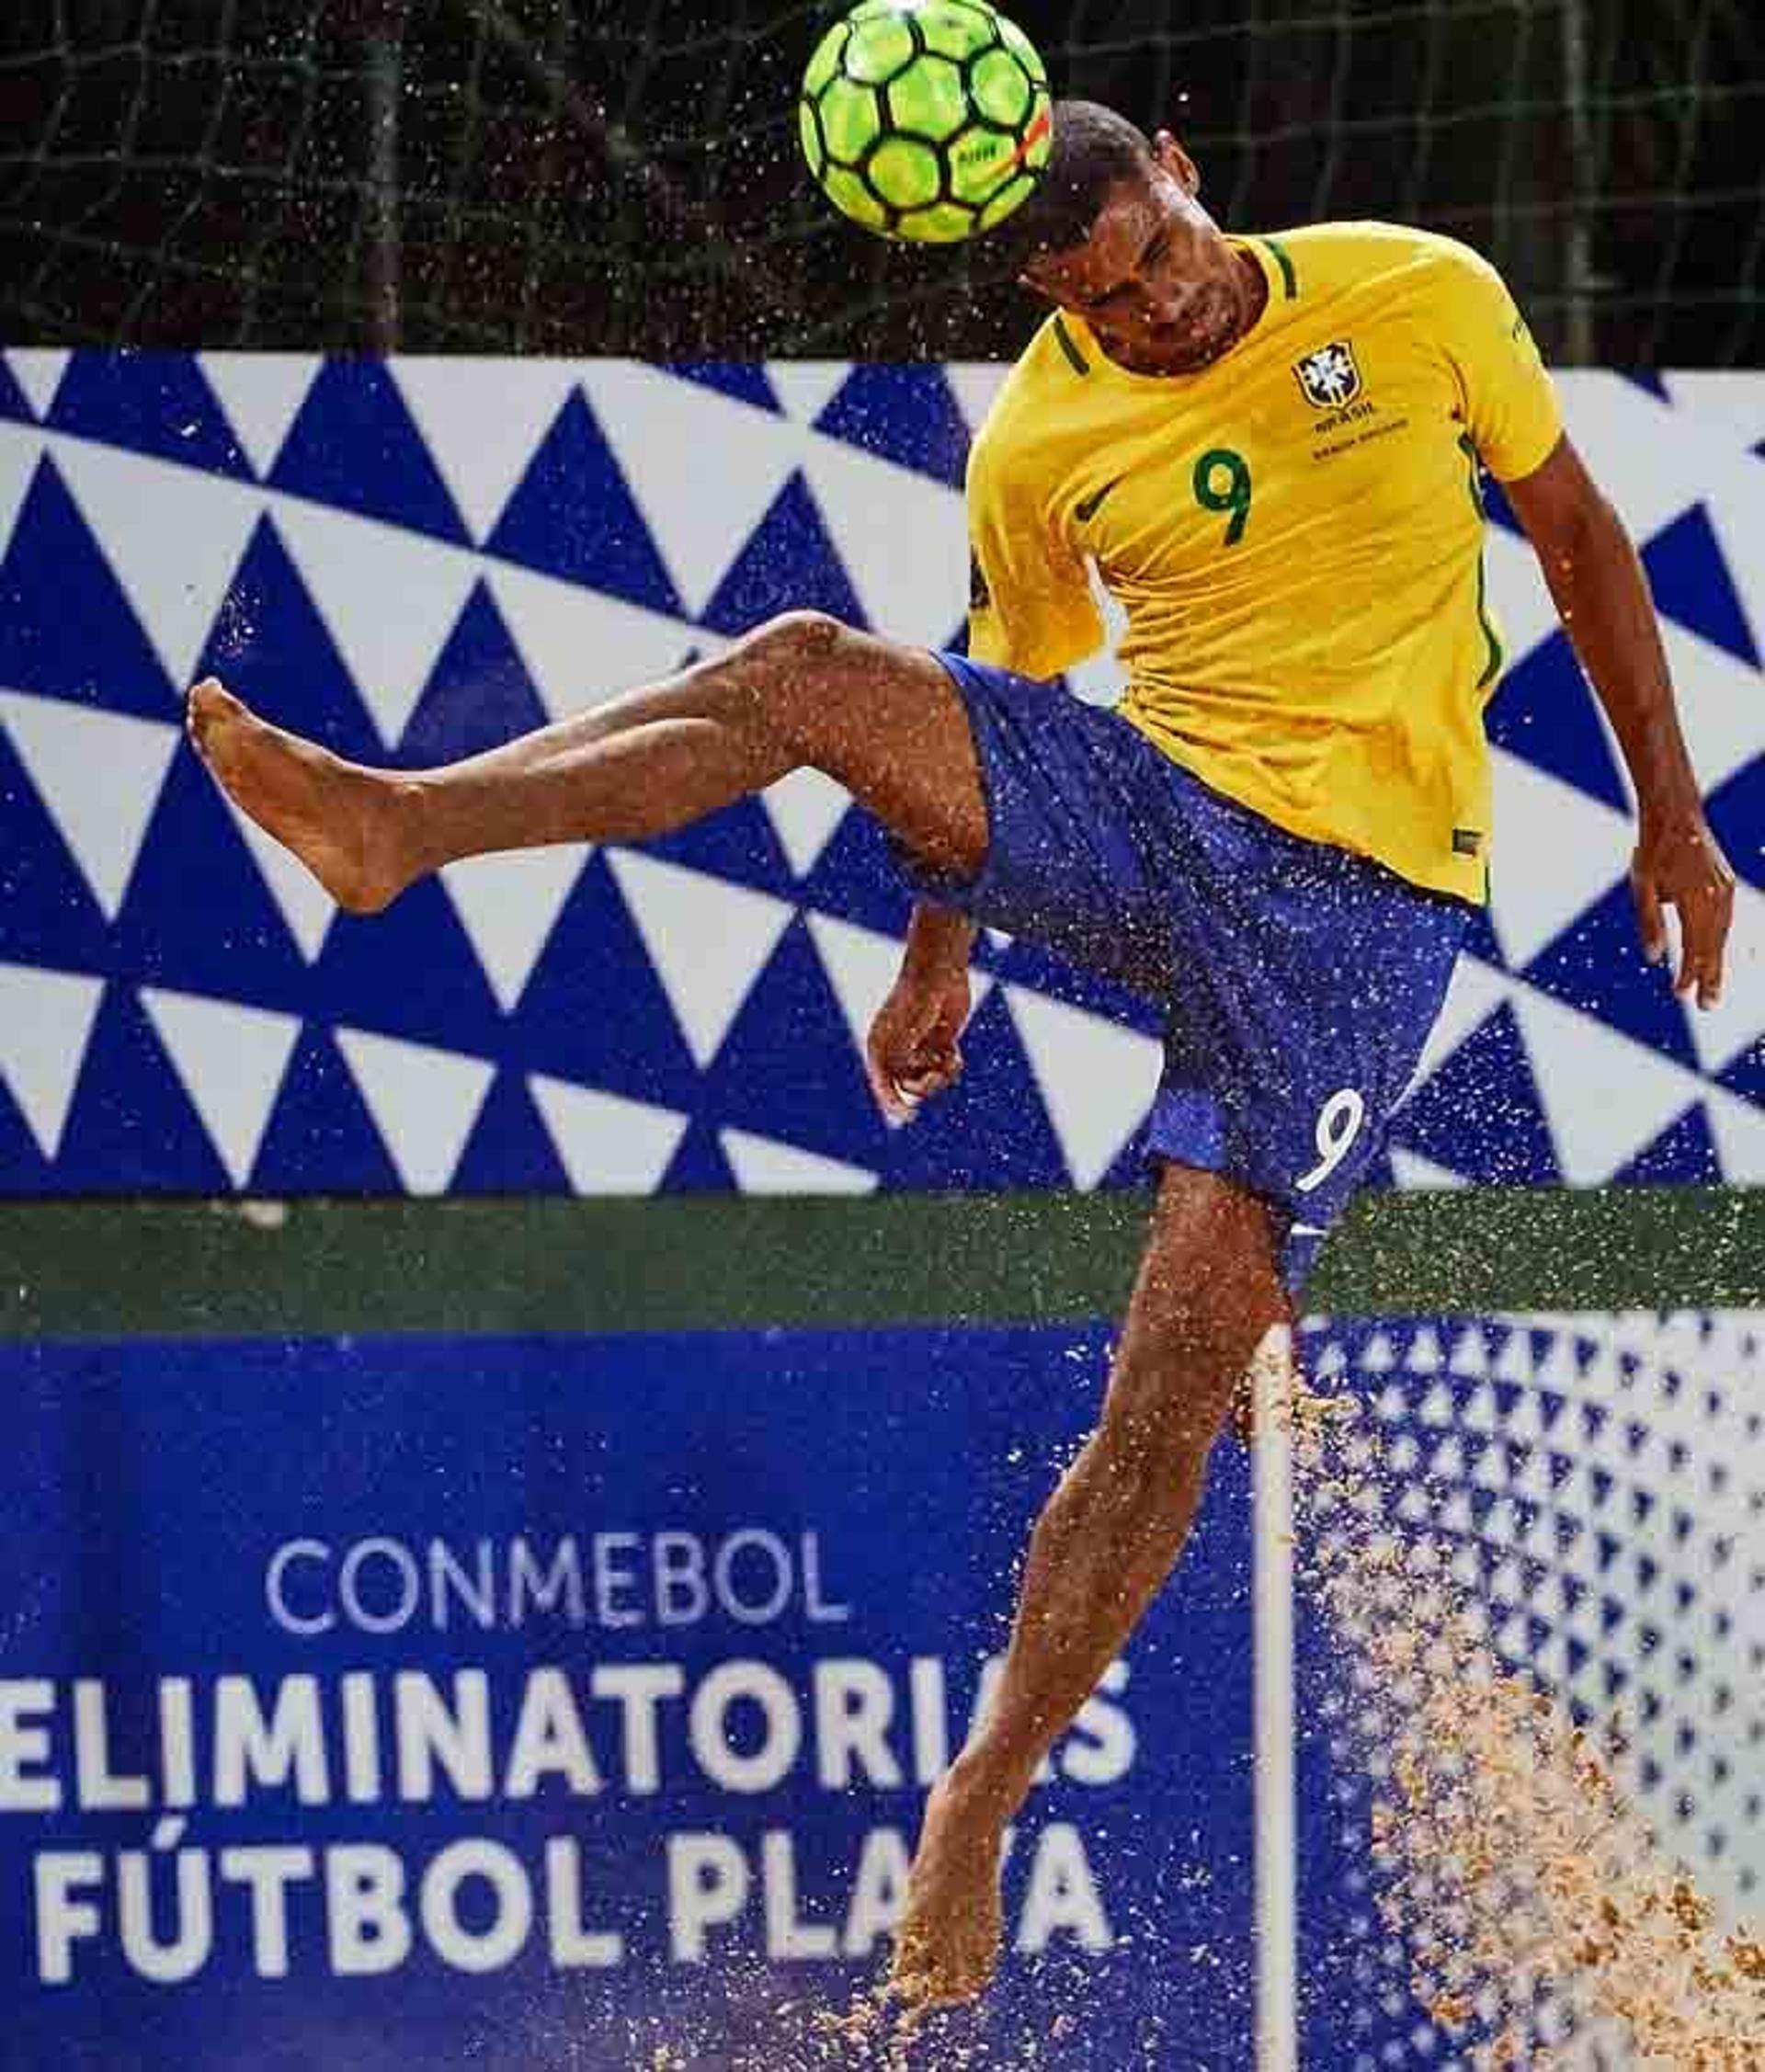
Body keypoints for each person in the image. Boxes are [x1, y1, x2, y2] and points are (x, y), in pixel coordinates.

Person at [186, 99, 1736, 2011]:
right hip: (1159, 805)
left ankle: (980, 1800)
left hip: (1360, 914)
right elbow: (1005, 702)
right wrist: (943, 957)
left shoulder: (1419, 296)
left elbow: (1580, 539)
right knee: (813, 666)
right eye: (1103, 294)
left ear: (1190, 168)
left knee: (1168, 1398)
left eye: (1160, 255)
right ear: (1041, 287)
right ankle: (403, 824)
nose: (1154, 310)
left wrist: (1676, 815)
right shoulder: (1045, 434)